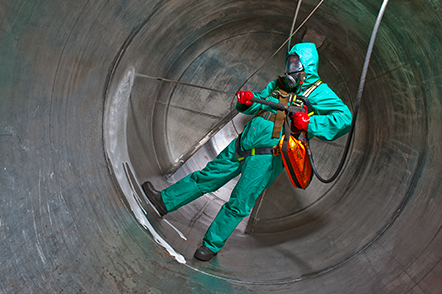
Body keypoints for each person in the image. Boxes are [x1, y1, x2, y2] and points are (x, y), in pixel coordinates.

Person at [142, 42, 352, 261]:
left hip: (269, 156)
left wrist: (309, 122)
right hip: (244, 143)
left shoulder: (320, 92)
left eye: (295, 62)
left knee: (240, 202)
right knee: (206, 176)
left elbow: (344, 119)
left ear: (307, 65)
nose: (290, 67)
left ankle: (211, 245)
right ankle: (164, 201)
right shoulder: (278, 85)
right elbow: (257, 104)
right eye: (289, 62)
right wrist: (245, 102)